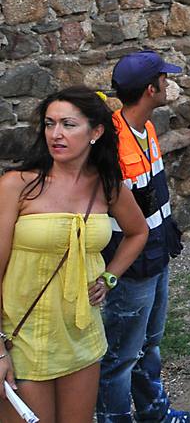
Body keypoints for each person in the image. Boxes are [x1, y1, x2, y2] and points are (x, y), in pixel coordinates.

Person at [0, 88, 149, 423]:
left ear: (95, 132)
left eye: (68, 124)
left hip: (81, 334)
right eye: (50, 124)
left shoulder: (107, 186)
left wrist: (110, 277)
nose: (56, 134)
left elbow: (138, 232)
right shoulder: (18, 185)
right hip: (21, 337)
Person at [99, 52, 190, 423]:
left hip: (155, 254)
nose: (167, 84)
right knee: (121, 356)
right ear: (150, 89)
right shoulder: (110, 142)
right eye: (163, 78)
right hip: (131, 264)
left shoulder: (146, 129)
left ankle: (155, 414)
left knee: (148, 345)